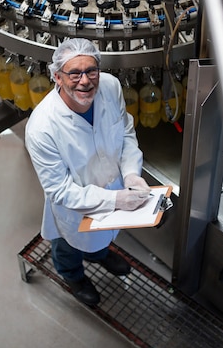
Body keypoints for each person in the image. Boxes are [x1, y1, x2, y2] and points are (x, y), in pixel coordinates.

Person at [25, 38, 150, 307]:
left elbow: (126, 132)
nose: (85, 81)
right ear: (57, 77)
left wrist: (130, 174)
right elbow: (59, 191)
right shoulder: (42, 128)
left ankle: (98, 254)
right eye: (74, 73)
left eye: (91, 71)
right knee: (68, 245)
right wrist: (115, 201)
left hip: (114, 189)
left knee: (101, 237)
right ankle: (73, 276)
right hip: (75, 207)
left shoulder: (110, 87)